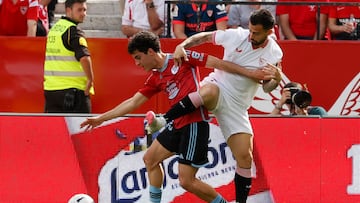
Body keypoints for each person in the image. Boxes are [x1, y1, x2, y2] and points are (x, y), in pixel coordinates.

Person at [79, 30, 278, 203]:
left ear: (150, 51)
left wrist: (251, 74)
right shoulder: (155, 78)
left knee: (186, 181)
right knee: (150, 159)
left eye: (138, 57)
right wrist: (101, 119)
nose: (137, 63)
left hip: (194, 125)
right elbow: (132, 102)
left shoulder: (182, 57)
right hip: (177, 124)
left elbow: (219, 64)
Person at [146, 9, 283, 203]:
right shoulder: (237, 36)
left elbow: (268, 87)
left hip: (237, 106)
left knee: (245, 157)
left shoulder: (275, 53)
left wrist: (276, 79)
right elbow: (205, 37)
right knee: (208, 93)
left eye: (257, 33)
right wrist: (182, 45)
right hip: (217, 87)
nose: (251, 36)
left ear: (270, 31)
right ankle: (164, 119)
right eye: (250, 30)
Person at [43, 0, 94, 113]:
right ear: (68, 10)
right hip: (73, 93)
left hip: (51, 90)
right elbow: (84, 57)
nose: (83, 13)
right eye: (79, 10)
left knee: (55, 129)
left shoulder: (54, 29)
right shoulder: (73, 31)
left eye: (84, 10)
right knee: (80, 129)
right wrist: (90, 80)